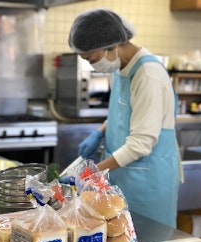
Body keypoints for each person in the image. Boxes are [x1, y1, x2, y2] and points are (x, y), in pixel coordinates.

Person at [68, 9, 182, 228]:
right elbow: (127, 115)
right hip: (123, 177)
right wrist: (99, 132)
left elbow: (141, 143)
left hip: (147, 186)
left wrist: (92, 173)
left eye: (92, 58)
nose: (93, 65)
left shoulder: (148, 75)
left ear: (113, 45)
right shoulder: (120, 69)